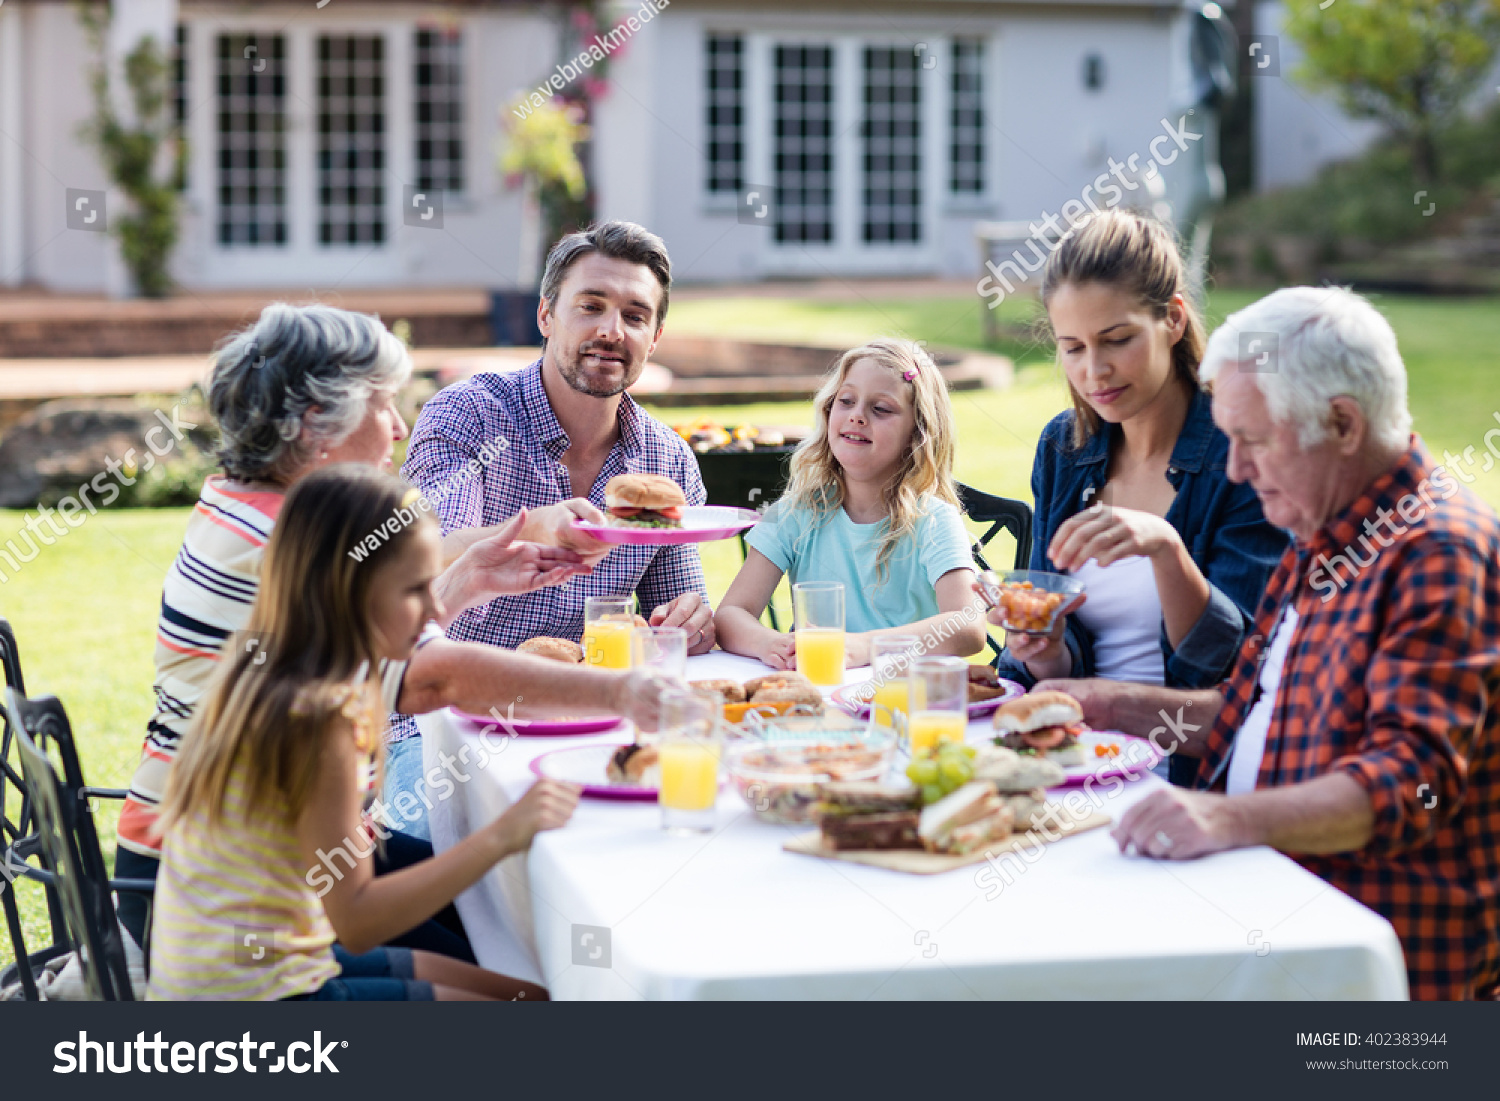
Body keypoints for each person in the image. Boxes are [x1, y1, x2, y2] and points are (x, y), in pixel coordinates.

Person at [116, 304, 673, 954]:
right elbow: (431, 677)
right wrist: (622, 693)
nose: (401, 427)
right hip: (226, 886)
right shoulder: (282, 543)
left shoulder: (244, 507)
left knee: (508, 922)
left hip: (238, 848)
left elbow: (364, 625)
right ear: (317, 423)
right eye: (384, 405)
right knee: (515, 940)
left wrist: (471, 577)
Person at [1081, 286, 1498, 1001]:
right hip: (1265, 915)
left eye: (1254, 440)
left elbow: (1411, 782)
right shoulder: (1322, 529)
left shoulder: (1438, 551)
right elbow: (1239, 714)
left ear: (1341, 423)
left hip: (1372, 975)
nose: (1236, 470)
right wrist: (1107, 706)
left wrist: (1221, 816)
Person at [149, 465, 584, 1000]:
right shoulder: (317, 719)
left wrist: (470, 576)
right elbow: (356, 920)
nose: (431, 610)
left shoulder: (277, 661)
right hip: (260, 995)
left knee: (531, 998)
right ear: (349, 592)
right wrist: (503, 834)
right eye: (414, 590)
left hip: (264, 960)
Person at [390, 221, 715, 789]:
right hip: (441, 726)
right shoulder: (470, 416)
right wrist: (530, 530)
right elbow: (420, 563)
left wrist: (687, 622)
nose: (611, 331)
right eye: (590, 306)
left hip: (587, 722)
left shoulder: (666, 459)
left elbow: (679, 618)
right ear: (546, 316)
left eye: (635, 316)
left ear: (655, 338)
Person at [986, 210, 1287, 784]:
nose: (1094, 371)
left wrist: (1166, 550)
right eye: (1071, 348)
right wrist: (1044, 648)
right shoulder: (1066, 448)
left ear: (1173, 319)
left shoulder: (1238, 453)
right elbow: (1058, 638)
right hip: (1076, 759)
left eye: (1116, 340)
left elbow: (1236, 668)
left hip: (1190, 778)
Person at [716, 338, 987, 669]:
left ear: (916, 435)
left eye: (881, 409)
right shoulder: (793, 513)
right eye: (846, 401)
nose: (857, 416)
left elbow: (968, 625)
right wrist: (767, 642)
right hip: (818, 699)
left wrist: (863, 648)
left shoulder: (934, 521)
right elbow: (731, 613)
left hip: (902, 703)